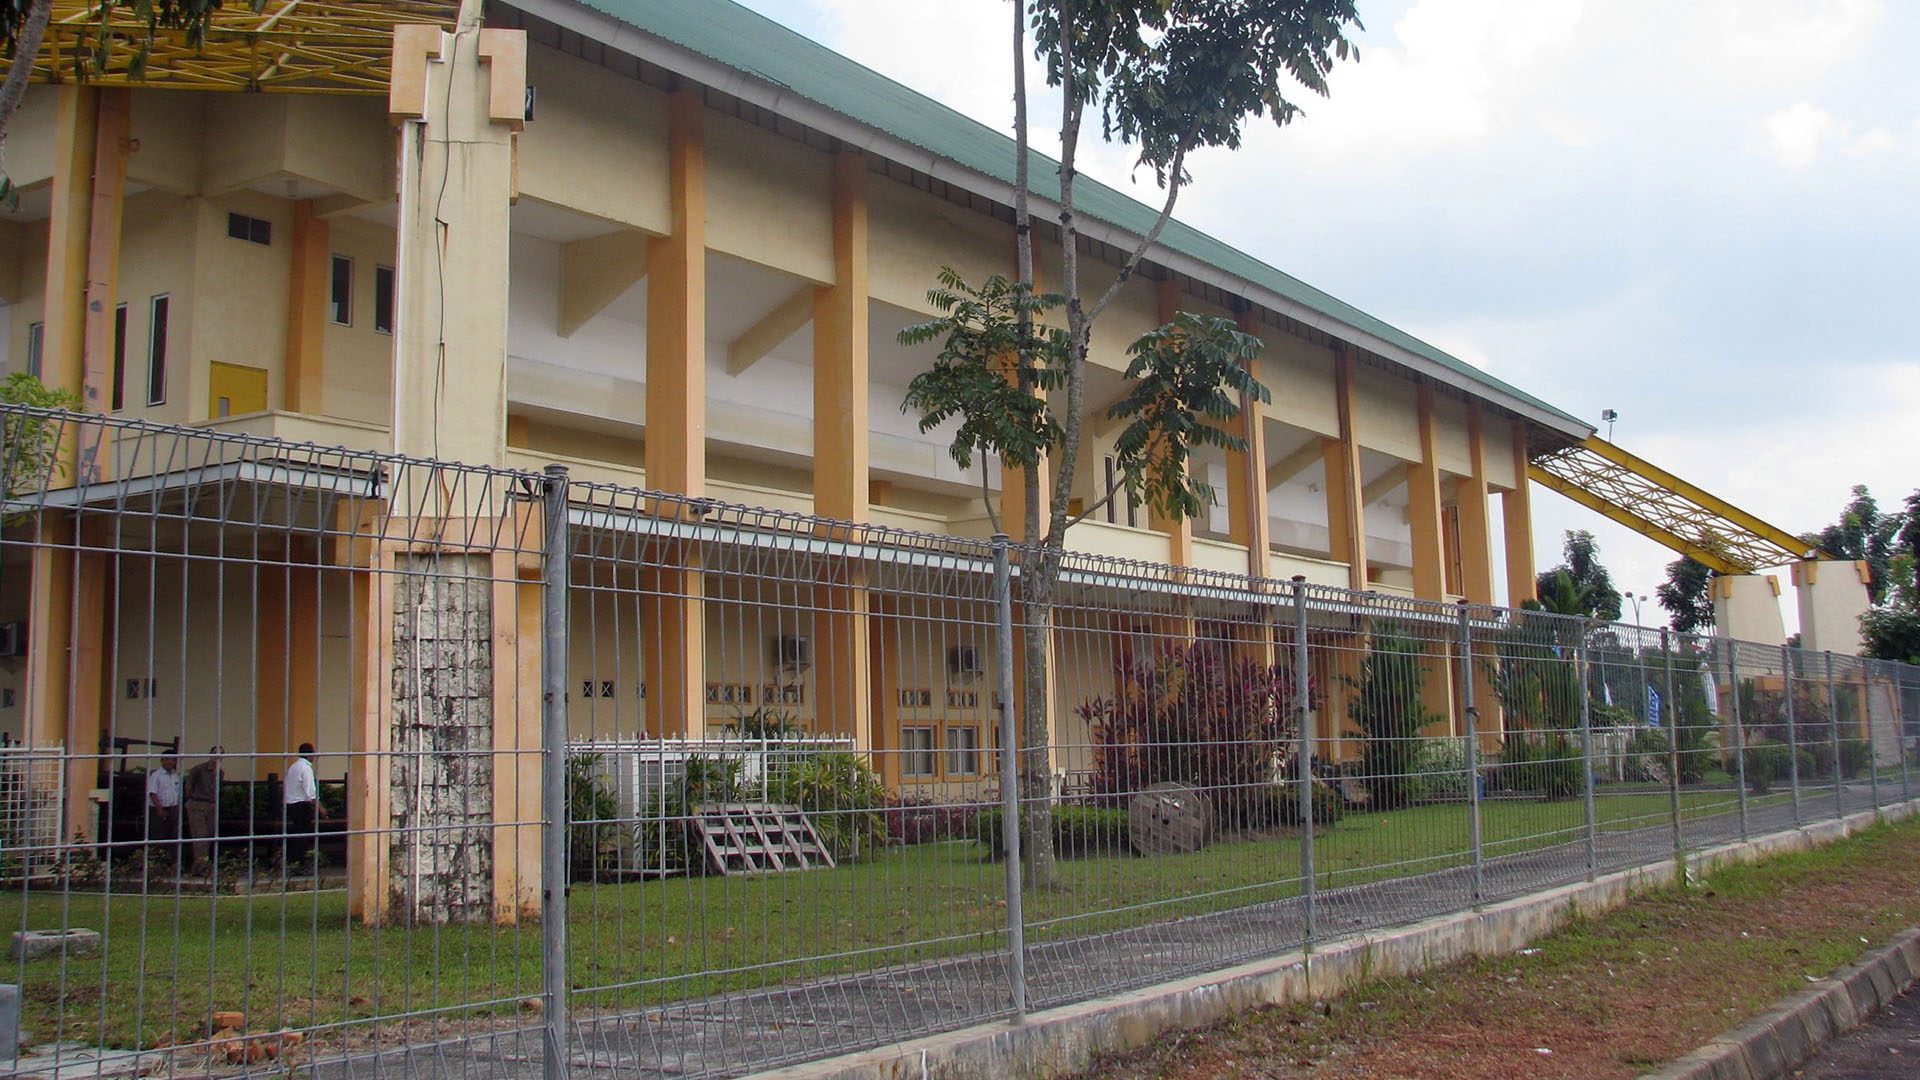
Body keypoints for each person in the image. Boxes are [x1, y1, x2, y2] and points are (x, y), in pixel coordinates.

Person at [182, 746, 223, 876]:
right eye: (215, 753)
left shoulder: (220, 772)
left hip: (211, 805)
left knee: (210, 835)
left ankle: (203, 865)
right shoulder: (198, 769)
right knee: (200, 836)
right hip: (198, 803)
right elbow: (188, 787)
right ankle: (201, 867)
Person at [282, 743, 319, 874]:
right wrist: (320, 808)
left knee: (295, 834)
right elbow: (310, 791)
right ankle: (300, 865)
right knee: (303, 836)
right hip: (301, 805)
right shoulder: (306, 768)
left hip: (291, 805)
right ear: (309, 754)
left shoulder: (293, 767)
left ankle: (292, 863)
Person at [145, 756, 180, 866]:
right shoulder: (156, 776)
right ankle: (155, 863)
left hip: (173, 809)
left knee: (173, 837)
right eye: (167, 759)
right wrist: (159, 809)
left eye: (172, 760)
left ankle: (172, 863)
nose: (170, 762)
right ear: (162, 760)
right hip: (159, 809)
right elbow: (152, 793)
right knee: (158, 836)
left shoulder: (175, 776)